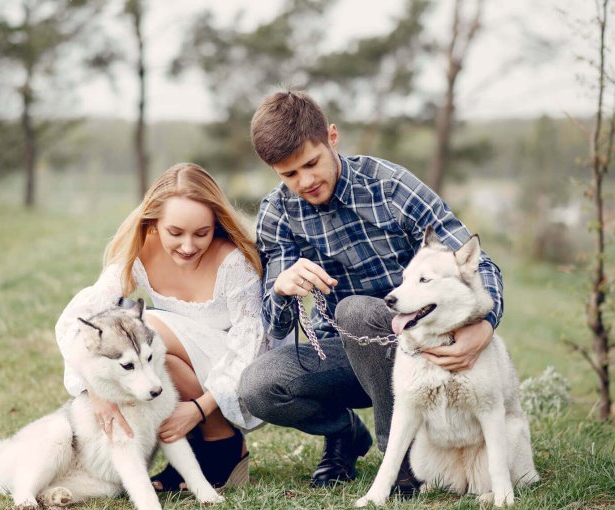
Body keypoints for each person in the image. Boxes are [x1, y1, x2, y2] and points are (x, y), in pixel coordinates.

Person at [238, 90, 504, 496]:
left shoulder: (390, 186)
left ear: (332, 136)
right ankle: (346, 433)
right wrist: (280, 288)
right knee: (258, 387)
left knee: (357, 310)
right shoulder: (277, 214)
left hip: (421, 345)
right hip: (343, 354)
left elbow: (476, 264)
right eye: (289, 175)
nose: (305, 181)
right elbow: (276, 326)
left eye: (312, 163)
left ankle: (401, 462)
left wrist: (484, 326)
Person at [55, 163, 267, 491]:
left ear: (216, 224)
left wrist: (200, 408)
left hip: (239, 373)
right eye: (175, 232)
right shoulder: (141, 253)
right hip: (189, 366)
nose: (187, 246)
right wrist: (93, 390)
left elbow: (249, 344)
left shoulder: (233, 262)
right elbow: (77, 320)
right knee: (147, 354)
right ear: (154, 223)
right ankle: (195, 449)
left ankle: (222, 441)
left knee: (148, 328)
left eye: (202, 233)